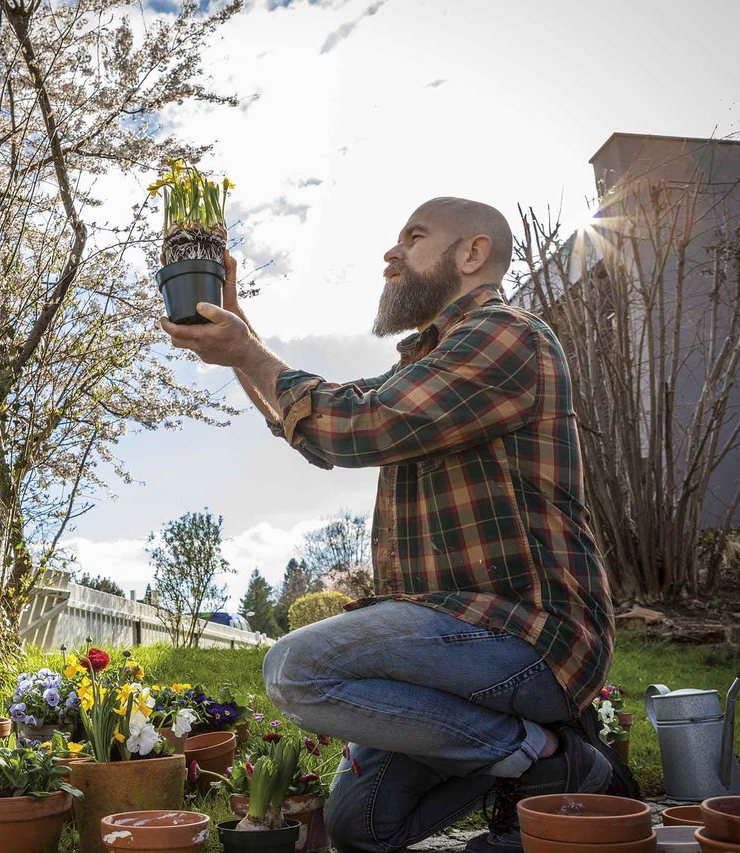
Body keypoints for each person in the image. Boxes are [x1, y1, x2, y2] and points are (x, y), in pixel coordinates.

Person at [160, 197, 621, 853]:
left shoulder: (507, 336)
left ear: (471, 254)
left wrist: (248, 349)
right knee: (361, 824)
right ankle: (544, 759)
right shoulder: (429, 363)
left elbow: (358, 424)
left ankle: (539, 753)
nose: (392, 251)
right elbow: (318, 433)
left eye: (414, 236)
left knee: (296, 669)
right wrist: (240, 345)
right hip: (456, 637)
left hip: (530, 636)